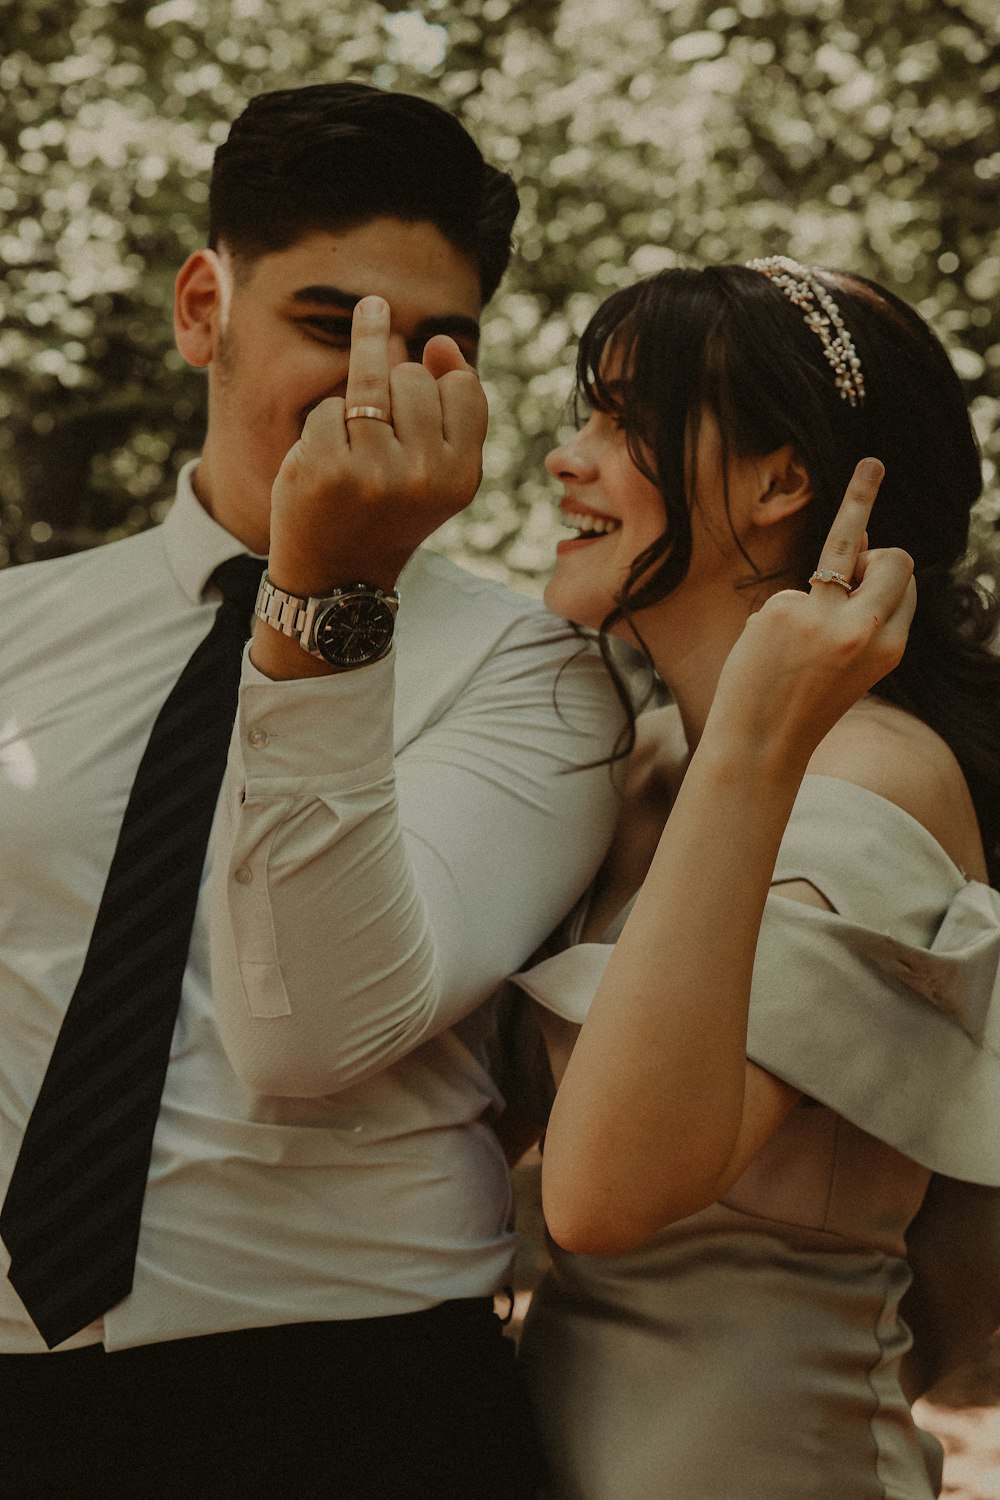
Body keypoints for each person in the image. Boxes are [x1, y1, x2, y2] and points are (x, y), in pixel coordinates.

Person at [0, 83, 621, 1498]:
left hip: (353, 1399)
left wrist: (330, 595)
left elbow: (318, 1033)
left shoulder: (537, 676)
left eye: (431, 342)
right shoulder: (13, 634)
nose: (373, 378)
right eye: (329, 323)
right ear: (203, 307)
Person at [495, 258, 1000, 1499]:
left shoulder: (878, 780)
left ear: (782, 481)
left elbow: (606, 1189)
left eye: (622, 423)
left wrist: (762, 740)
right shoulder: (652, 756)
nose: (569, 458)